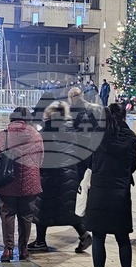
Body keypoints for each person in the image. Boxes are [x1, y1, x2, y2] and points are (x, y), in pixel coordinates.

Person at [81, 104, 136, 267]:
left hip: (100, 191)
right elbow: (133, 165)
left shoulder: (98, 136)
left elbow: (88, 161)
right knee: (123, 237)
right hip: (121, 192)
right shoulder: (130, 137)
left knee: (98, 236)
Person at [32, 101, 92, 253]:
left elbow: (41, 154)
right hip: (70, 173)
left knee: (42, 209)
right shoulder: (71, 131)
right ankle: (84, 235)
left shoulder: (46, 131)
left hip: (50, 176)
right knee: (69, 209)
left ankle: (40, 241)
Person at [0, 107, 44, 262]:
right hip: (30, 182)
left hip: (7, 183)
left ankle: (8, 249)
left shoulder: (4, 135)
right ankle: (23, 249)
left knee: (7, 214)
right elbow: (40, 159)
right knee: (26, 216)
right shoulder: (36, 135)